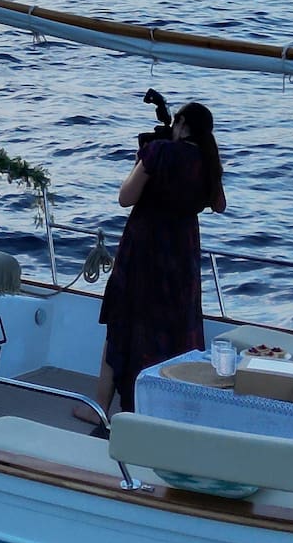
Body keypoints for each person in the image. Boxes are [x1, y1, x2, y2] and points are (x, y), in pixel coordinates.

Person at [87, 100, 227, 418]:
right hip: (183, 252)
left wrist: (145, 156)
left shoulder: (160, 152)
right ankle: (167, 409)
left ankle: (100, 409)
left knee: (123, 323)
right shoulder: (207, 160)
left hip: (145, 247)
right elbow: (219, 204)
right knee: (176, 329)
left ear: (180, 123)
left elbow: (126, 197)